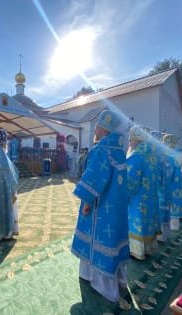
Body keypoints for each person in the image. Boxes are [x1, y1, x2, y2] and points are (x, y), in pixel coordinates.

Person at [71, 110, 129, 303]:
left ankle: (101, 284)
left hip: (100, 207)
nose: (95, 128)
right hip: (117, 207)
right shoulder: (120, 150)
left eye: (98, 125)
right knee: (113, 241)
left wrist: (86, 202)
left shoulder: (101, 149)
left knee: (99, 240)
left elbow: (95, 178)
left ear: (105, 129)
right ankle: (118, 280)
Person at [127, 126, 161, 260]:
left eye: (130, 140)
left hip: (138, 199)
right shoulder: (152, 156)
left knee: (138, 222)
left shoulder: (136, 157)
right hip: (151, 197)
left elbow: (130, 182)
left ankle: (137, 251)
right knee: (148, 222)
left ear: (135, 140)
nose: (129, 144)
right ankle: (147, 248)